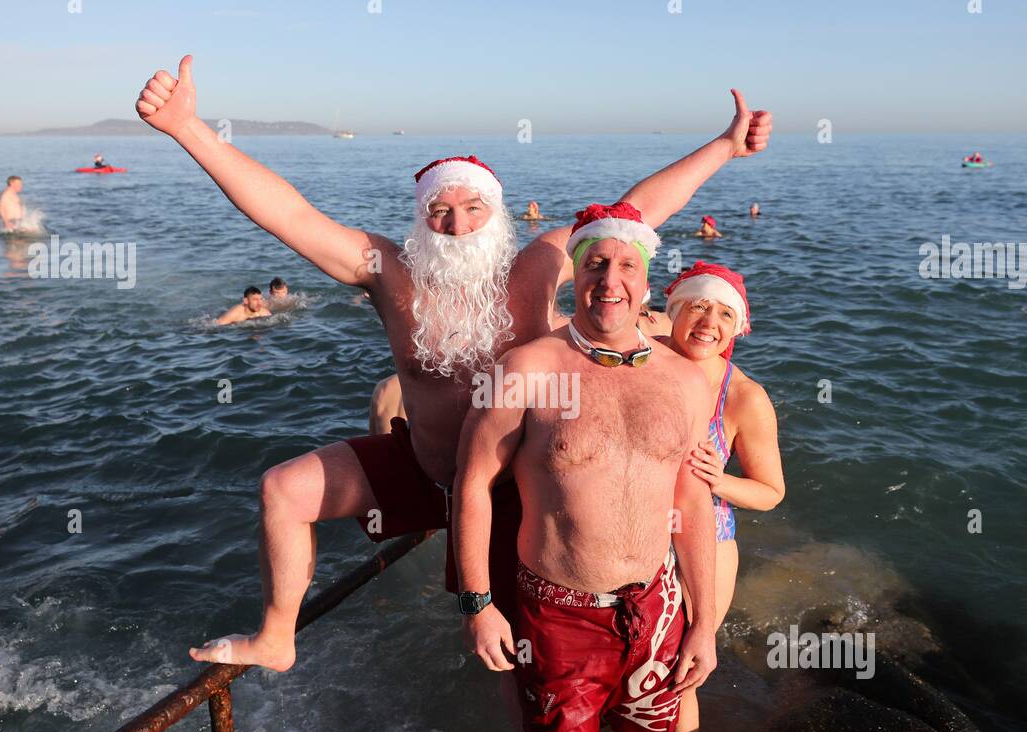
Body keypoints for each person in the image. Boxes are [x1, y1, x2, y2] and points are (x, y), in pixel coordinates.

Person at [133, 54, 771, 675]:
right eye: (440, 211)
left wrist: (724, 147)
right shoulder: (389, 272)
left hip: (520, 493)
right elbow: (289, 214)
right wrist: (189, 128)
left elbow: (635, 212)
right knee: (282, 490)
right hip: (429, 469)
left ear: (497, 216)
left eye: (473, 210)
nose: (457, 225)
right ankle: (277, 636)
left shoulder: (537, 266)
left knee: (526, 669)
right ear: (421, 218)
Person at [454, 203, 719, 732]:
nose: (610, 279)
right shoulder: (526, 369)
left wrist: (705, 623)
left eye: (627, 265)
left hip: (657, 605)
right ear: (575, 276)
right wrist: (478, 604)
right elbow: (471, 485)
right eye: (595, 263)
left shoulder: (684, 380)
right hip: (557, 615)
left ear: (646, 281)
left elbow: (693, 503)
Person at [655, 261, 784, 732]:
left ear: (738, 328)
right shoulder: (642, 358)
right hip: (633, 529)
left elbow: (771, 492)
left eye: (725, 313)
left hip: (706, 538)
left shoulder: (743, 397)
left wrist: (719, 479)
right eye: (698, 306)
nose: (709, 321)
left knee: (679, 675)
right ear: (674, 313)